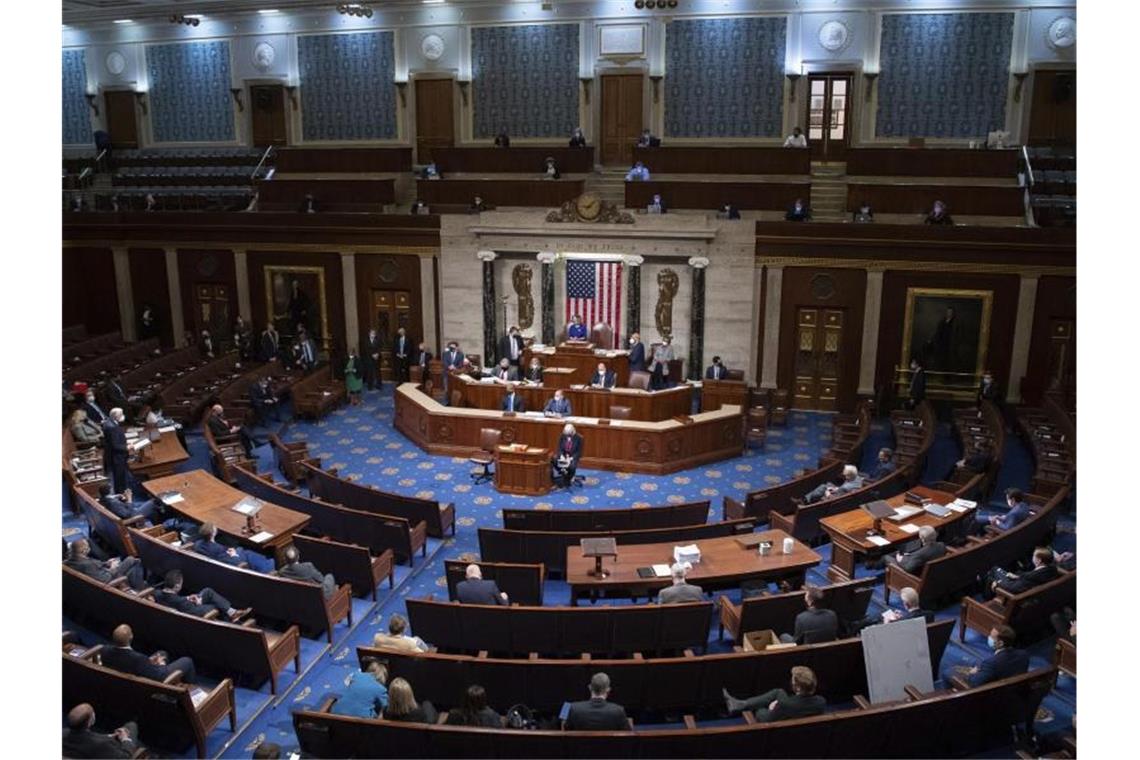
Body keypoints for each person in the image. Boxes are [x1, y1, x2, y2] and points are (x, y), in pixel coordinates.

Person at [101, 623, 197, 683]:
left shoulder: (104, 650)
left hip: (128, 675)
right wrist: (161, 663)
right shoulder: (138, 659)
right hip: (150, 682)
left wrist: (148, 661)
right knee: (187, 661)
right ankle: (191, 687)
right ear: (131, 637)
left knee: (162, 653)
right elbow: (160, 677)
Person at [723, 666, 825, 722]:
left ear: (797, 687)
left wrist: (771, 708)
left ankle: (741, 705)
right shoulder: (821, 702)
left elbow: (766, 719)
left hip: (778, 730)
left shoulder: (785, 704)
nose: (791, 682)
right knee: (778, 692)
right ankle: (740, 704)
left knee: (759, 706)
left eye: (793, 681)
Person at [153, 569, 248, 620]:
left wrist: (187, 597)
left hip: (182, 606)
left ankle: (232, 612)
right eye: (181, 583)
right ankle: (229, 618)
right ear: (177, 586)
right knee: (216, 605)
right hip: (192, 614)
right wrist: (197, 603)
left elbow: (173, 599)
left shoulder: (157, 593)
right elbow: (192, 611)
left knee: (208, 591)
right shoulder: (182, 602)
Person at [62, 703, 140, 759]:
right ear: (90, 721)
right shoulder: (102, 745)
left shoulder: (63, 733)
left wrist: (109, 736)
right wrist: (125, 739)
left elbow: (86, 737)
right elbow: (125, 757)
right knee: (131, 725)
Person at [65, 538, 147, 590]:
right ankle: (140, 588)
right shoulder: (87, 565)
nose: (89, 549)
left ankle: (135, 583)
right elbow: (106, 580)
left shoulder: (69, 562)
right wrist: (113, 568)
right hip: (110, 581)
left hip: (102, 572)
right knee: (132, 560)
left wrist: (106, 563)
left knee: (131, 566)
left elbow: (94, 564)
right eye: (88, 547)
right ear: (84, 551)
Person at [194, 521, 276, 573]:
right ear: (213, 533)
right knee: (247, 552)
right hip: (233, 562)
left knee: (241, 549)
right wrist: (234, 554)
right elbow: (231, 560)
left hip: (220, 557)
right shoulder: (218, 549)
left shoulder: (197, 544)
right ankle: (268, 567)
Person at [964, 624, 1029, 687]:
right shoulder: (1023, 654)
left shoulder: (991, 664)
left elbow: (975, 683)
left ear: (1000, 643)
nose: (988, 637)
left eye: (991, 637)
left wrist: (972, 673)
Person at [851, 586, 933, 634]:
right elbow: (913, 617)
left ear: (906, 604)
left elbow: (889, 632)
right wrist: (901, 617)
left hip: (895, 637)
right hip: (912, 632)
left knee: (880, 617)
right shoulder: (930, 614)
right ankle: (857, 624)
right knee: (883, 613)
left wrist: (887, 622)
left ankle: (854, 628)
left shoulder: (902, 622)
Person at [565, 672, 630, 731]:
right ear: (608, 690)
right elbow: (628, 734)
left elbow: (566, 730)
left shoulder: (572, 707)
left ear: (590, 687)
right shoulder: (619, 711)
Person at [987, 546, 1060, 596]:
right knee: (995, 569)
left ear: (1039, 560)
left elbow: (1014, 588)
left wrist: (998, 583)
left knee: (992, 575)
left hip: (1012, 593)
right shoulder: (1052, 570)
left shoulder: (1032, 577)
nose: (1032, 557)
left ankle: (985, 597)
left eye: (1034, 555)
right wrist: (1018, 577)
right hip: (1021, 584)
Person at [101, 407, 130, 494]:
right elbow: (115, 446)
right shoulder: (112, 427)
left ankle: (122, 492)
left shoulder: (109, 423)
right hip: (117, 457)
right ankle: (121, 494)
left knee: (119, 477)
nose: (123, 416)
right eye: (121, 414)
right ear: (115, 416)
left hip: (114, 455)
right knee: (119, 477)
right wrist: (127, 447)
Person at [552, 422, 583, 488]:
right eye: (566, 434)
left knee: (571, 466)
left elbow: (579, 452)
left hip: (573, 456)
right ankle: (563, 472)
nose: (567, 435)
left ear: (572, 431)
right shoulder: (562, 436)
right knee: (554, 459)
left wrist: (571, 458)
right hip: (564, 455)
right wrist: (561, 456)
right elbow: (559, 448)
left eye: (569, 434)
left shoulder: (579, 438)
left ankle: (568, 479)